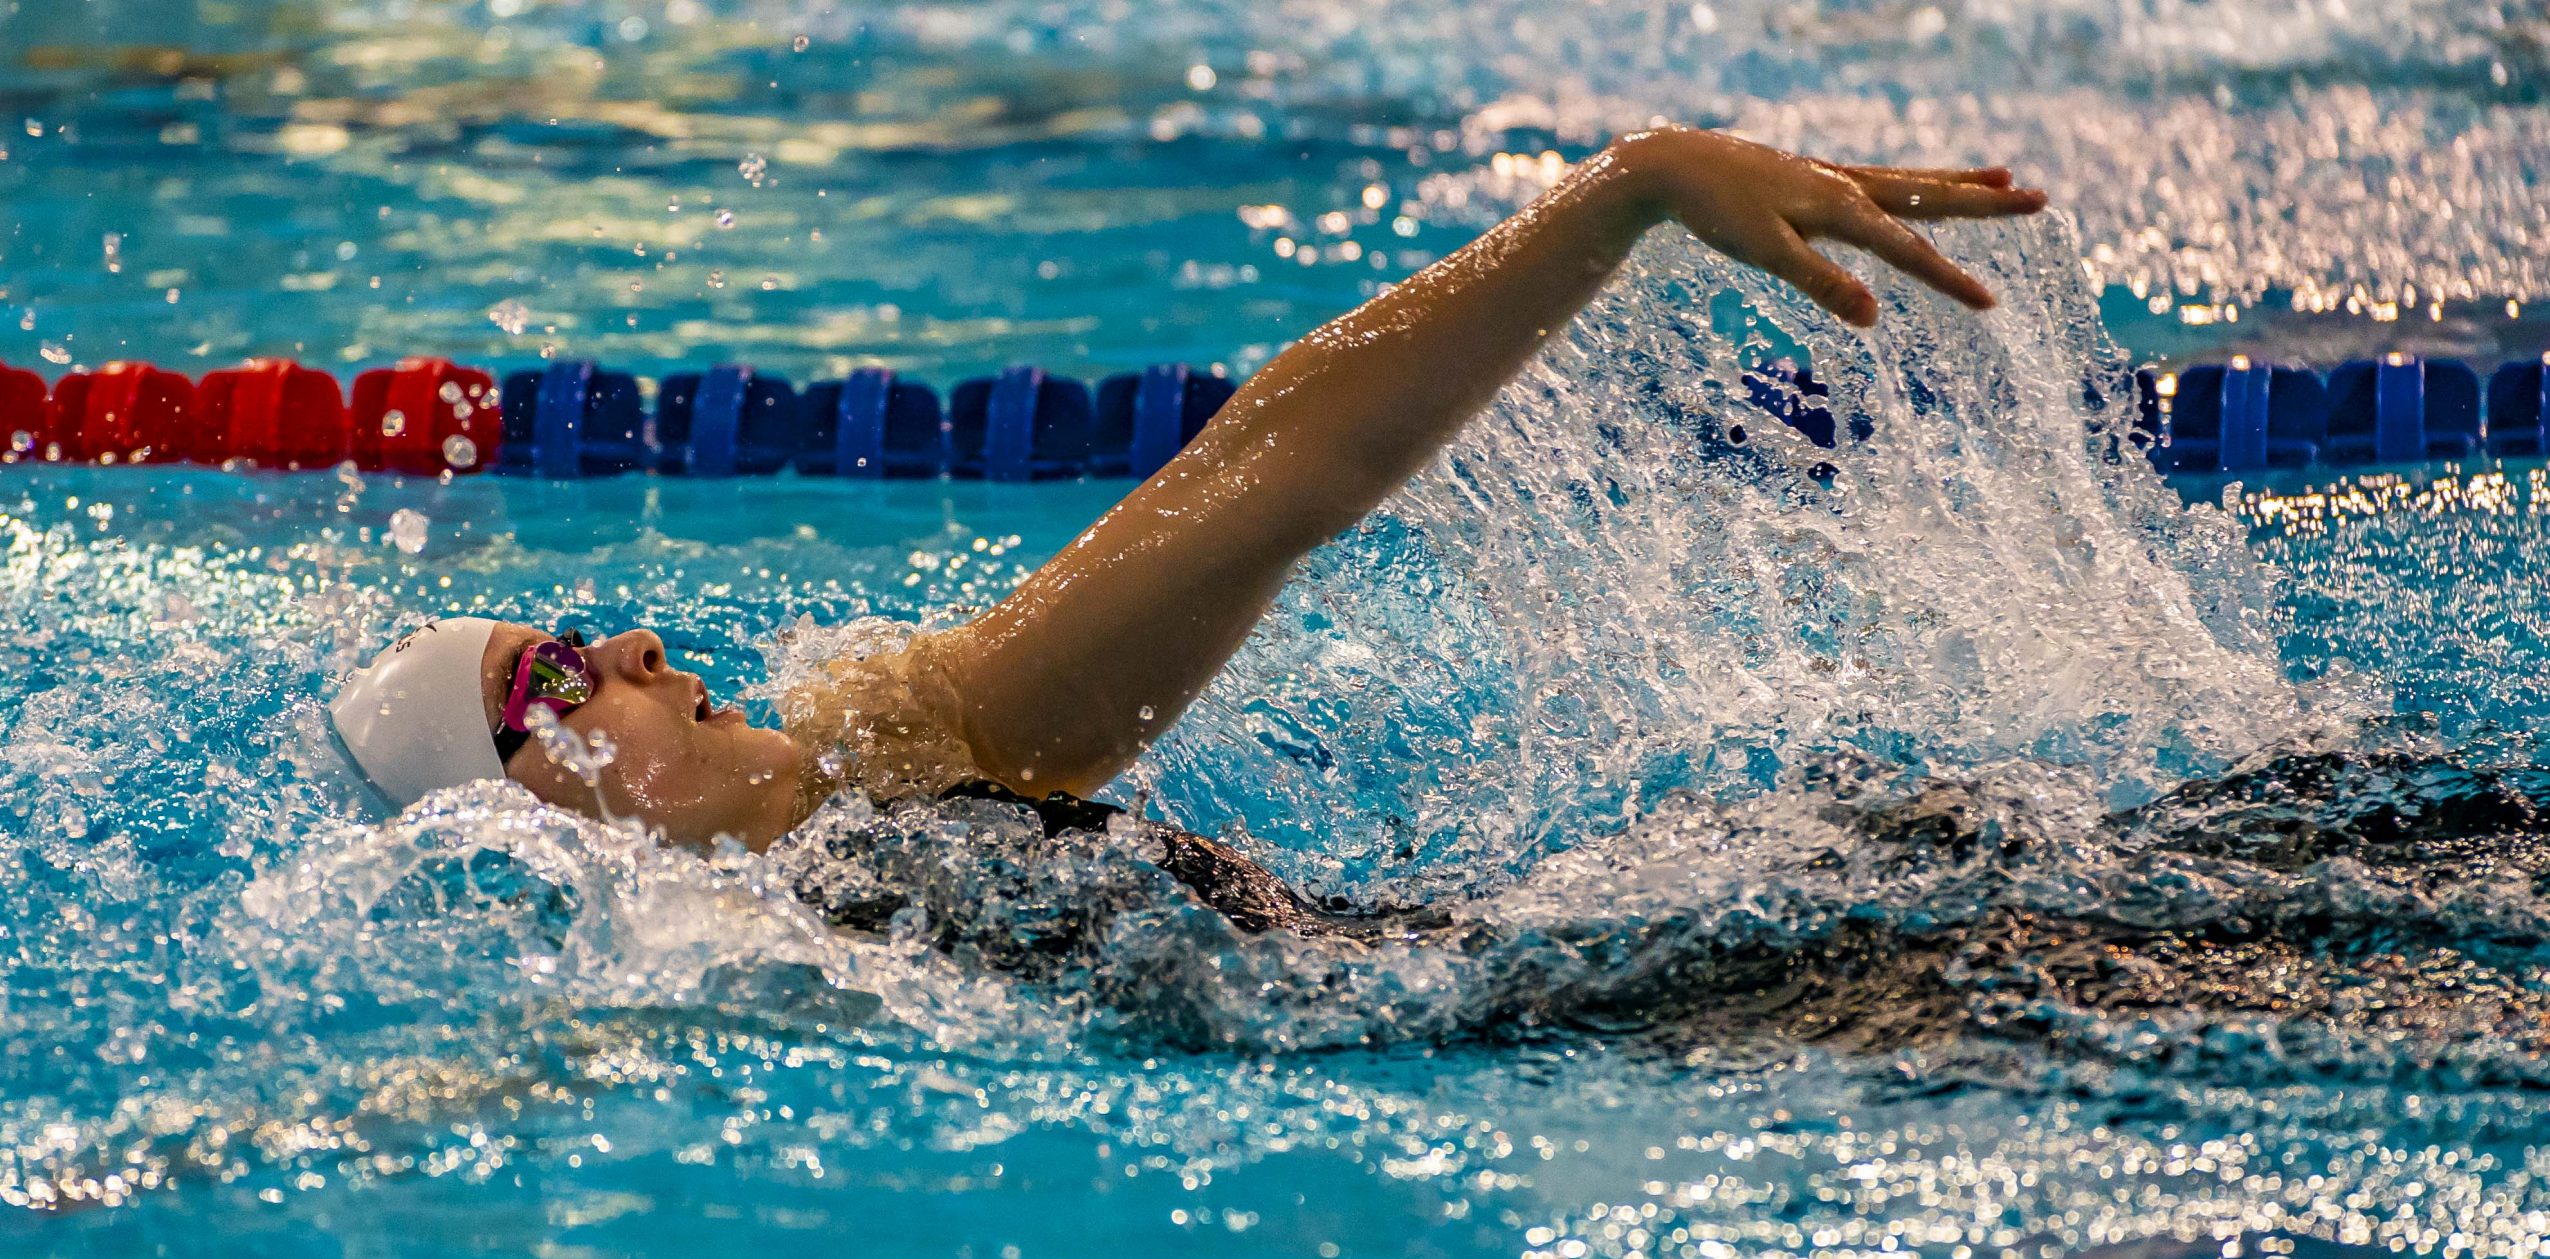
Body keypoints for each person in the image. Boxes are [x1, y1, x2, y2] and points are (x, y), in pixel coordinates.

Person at [331, 128, 2047, 872]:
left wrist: (1628, 193)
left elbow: (1259, 474)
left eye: (579, 638)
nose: (627, 641)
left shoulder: (908, 748)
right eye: (553, 684)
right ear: (519, 827)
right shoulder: (707, 975)